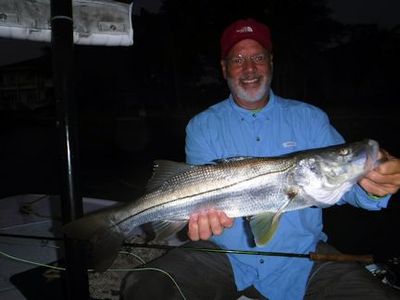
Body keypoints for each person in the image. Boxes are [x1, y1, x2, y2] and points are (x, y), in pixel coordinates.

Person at [120, 18, 400, 300]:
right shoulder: (202, 125)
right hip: (224, 256)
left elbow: (347, 189)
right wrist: (199, 222)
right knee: (146, 288)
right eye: (238, 59)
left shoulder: (310, 118)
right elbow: (193, 194)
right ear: (224, 68)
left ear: (270, 62)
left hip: (304, 256)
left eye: (258, 57)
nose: (249, 68)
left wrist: (373, 186)